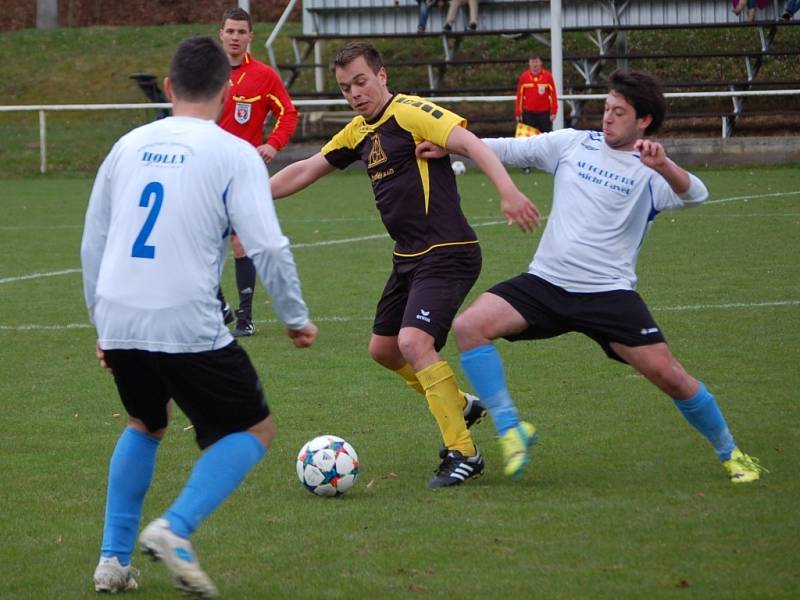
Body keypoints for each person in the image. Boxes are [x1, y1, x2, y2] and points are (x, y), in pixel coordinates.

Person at [417, 69, 765, 485]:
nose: (608, 117)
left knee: (670, 375)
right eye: (606, 108)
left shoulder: (650, 170)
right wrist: (451, 147)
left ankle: (732, 453)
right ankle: (512, 429)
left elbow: (696, 195)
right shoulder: (574, 143)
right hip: (545, 283)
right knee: (469, 327)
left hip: (608, 295)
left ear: (644, 121)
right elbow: (508, 149)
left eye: (619, 112)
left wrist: (665, 164)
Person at [83, 36, 317, 596]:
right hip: (184, 315)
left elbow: (94, 241)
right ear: (227, 88)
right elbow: (268, 246)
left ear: (167, 88)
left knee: (147, 420)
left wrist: (102, 325)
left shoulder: (128, 144)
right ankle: (176, 529)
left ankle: (113, 561)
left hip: (119, 312)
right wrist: (294, 316)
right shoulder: (233, 153)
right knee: (253, 428)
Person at [269, 41, 540, 489]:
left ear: (381, 76)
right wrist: (250, 194)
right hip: (409, 257)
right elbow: (305, 169)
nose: (354, 93)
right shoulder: (357, 131)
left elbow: (469, 142)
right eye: (344, 87)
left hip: (447, 250)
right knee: (385, 350)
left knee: (415, 342)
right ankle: (462, 405)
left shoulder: (410, 112)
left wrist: (508, 192)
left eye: (360, 81)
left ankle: (464, 452)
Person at [217, 7, 299, 337]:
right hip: (205, 171)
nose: (235, 37)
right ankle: (218, 304)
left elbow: (288, 113)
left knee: (240, 244)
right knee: (197, 241)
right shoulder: (207, 72)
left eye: (241, 32)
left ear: (251, 36)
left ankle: (245, 317)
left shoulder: (263, 75)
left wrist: (274, 145)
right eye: (230, 31)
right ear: (220, 34)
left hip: (243, 174)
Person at [515, 55, 558, 136]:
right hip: (528, 113)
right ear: (529, 63)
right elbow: (519, 96)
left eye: (536, 62)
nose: (535, 64)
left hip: (544, 113)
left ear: (541, 63)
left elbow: (553, 94)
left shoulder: (548, 76)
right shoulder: (524, 77)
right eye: (532, 62)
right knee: (528, 139)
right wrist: (518, 112)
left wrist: (553, 111)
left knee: (546, 138)